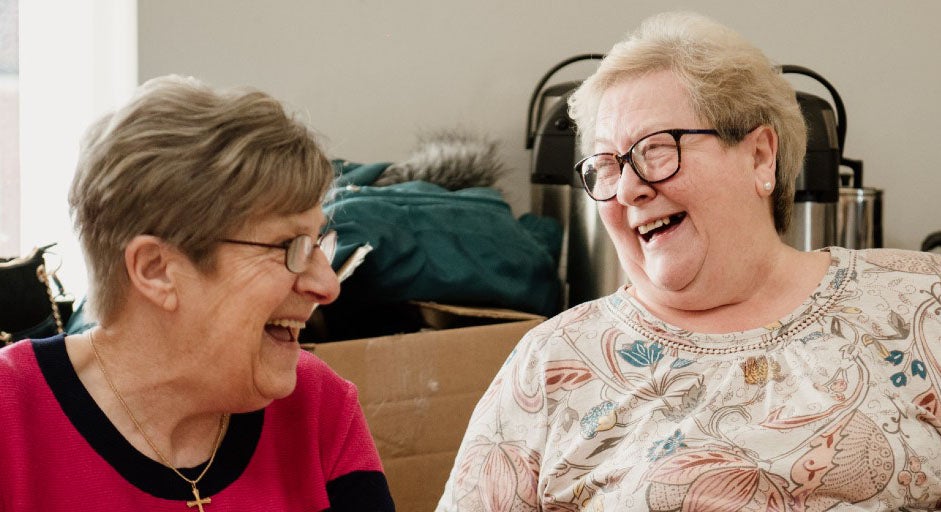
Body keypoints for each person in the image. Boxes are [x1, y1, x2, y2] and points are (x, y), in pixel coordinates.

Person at [437, 11, 941, 511]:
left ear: (760, 157)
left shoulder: (920, 301)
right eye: (608, 166)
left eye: (657, 149)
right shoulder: (552, 363)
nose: (630, 190)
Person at [0, 75, 395, 511]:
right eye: (289, 247)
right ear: (157, 270)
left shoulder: (320, 407)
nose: (328, 285)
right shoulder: (10, 418)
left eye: (319, 243)